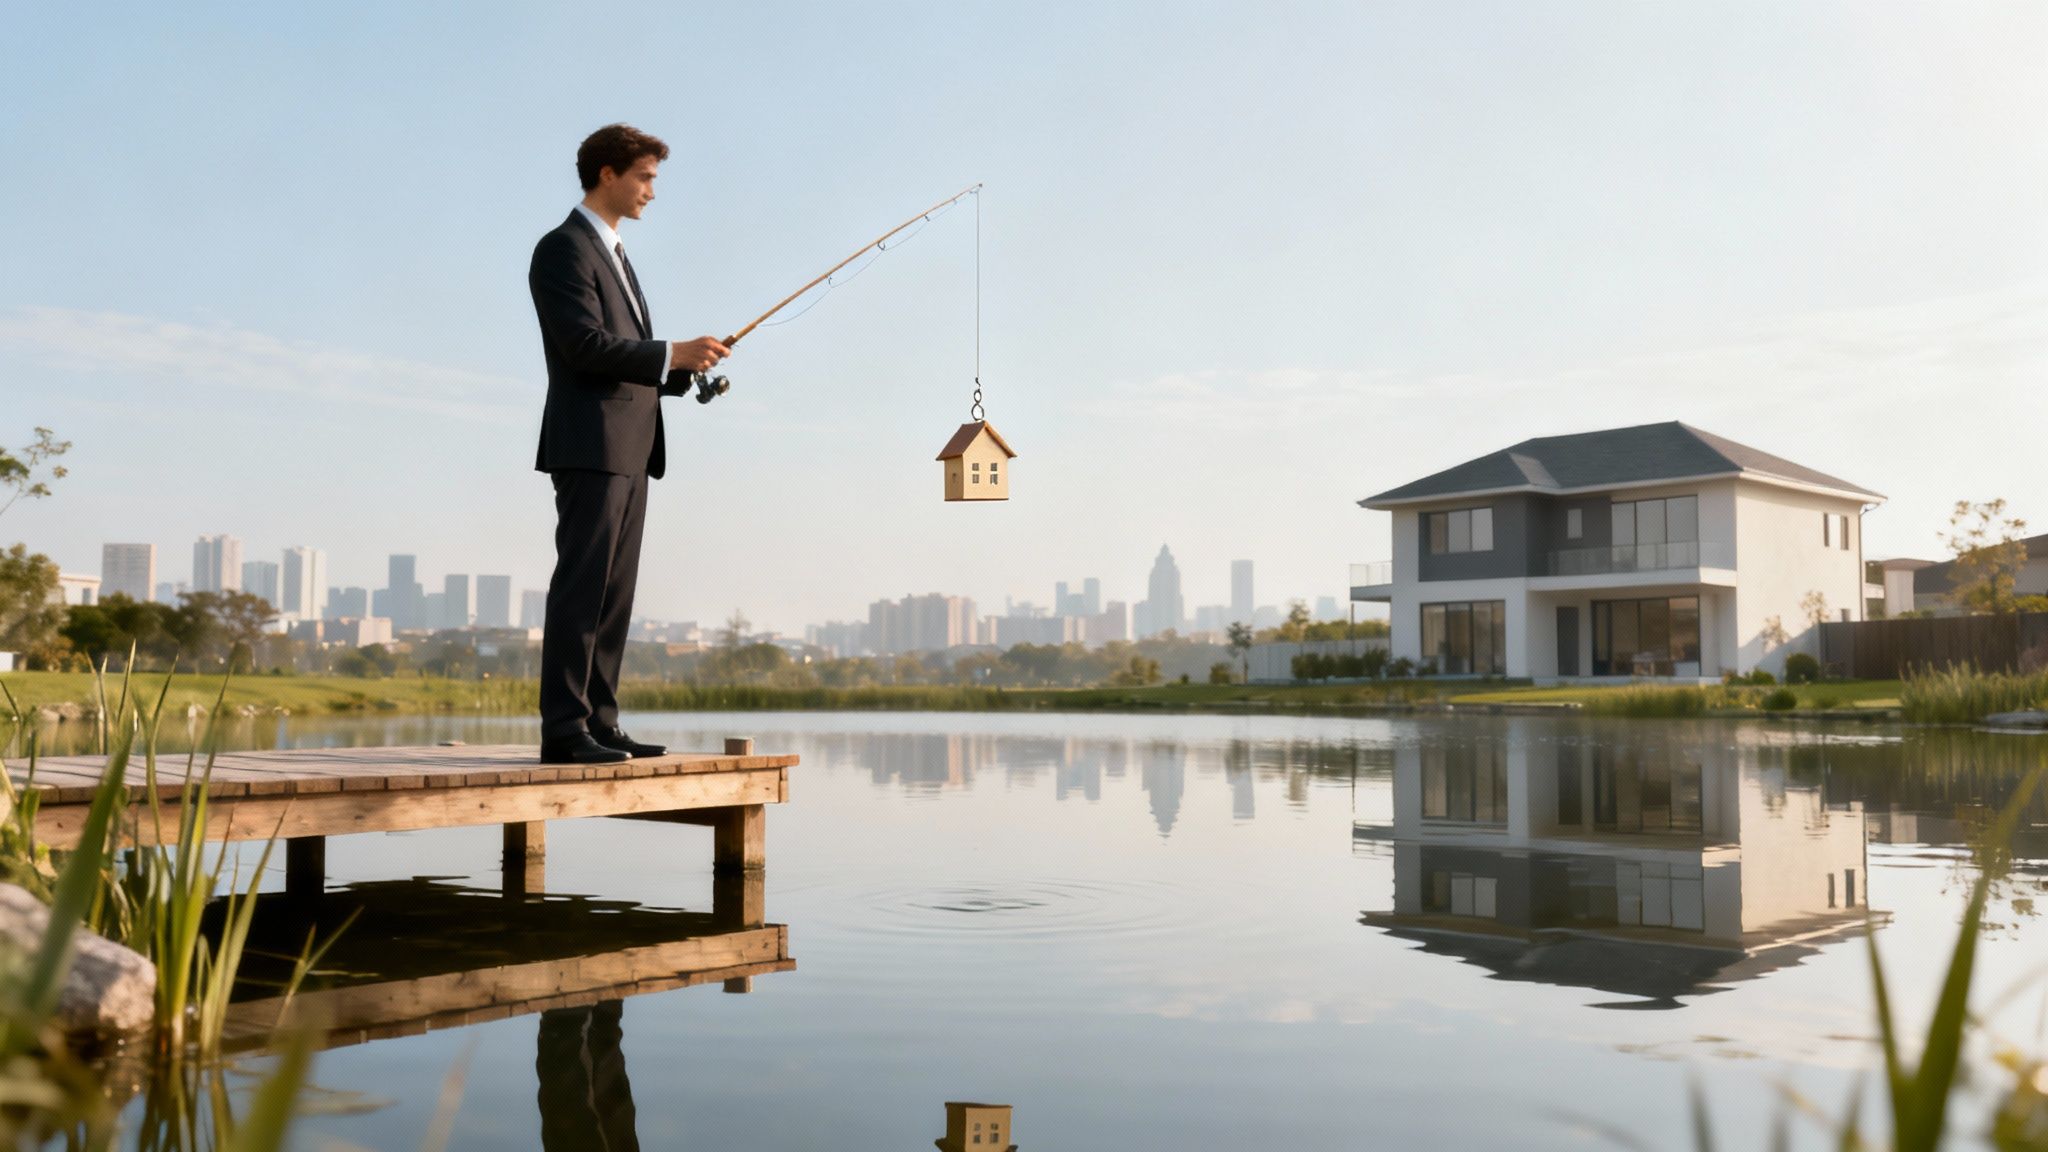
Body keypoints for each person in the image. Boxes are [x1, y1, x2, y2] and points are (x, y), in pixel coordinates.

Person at [529, 123, 728, 764]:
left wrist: (677, 370)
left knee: (615, 594)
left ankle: (601, 723)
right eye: (644, 177)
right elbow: (581, 347)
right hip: (590, 445)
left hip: (632, 447)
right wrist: (670, 350)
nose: (651, 192)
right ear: (607, 174)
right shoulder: (561, 249)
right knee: (582, 589)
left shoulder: (615, 253)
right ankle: (565, 732)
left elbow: (620, 358)